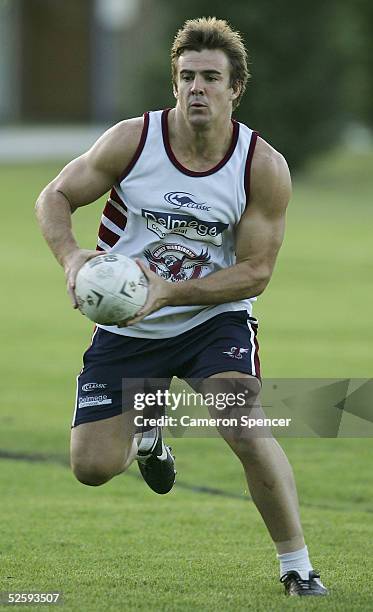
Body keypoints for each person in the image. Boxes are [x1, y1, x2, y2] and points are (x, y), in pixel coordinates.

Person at [35, 17, 327, 597]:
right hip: (126, 323)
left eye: (211, 78)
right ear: (174, 82)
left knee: (241, 419)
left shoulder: (259, 166)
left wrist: (168, 293)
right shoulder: (133, 141)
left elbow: (256, 272)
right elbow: (56, 196)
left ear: (234, 89)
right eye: (187, 76)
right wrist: (72, 259)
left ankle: (298, 568)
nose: (198, 87)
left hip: (209, 318)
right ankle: (151, 430)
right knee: (92, 468)